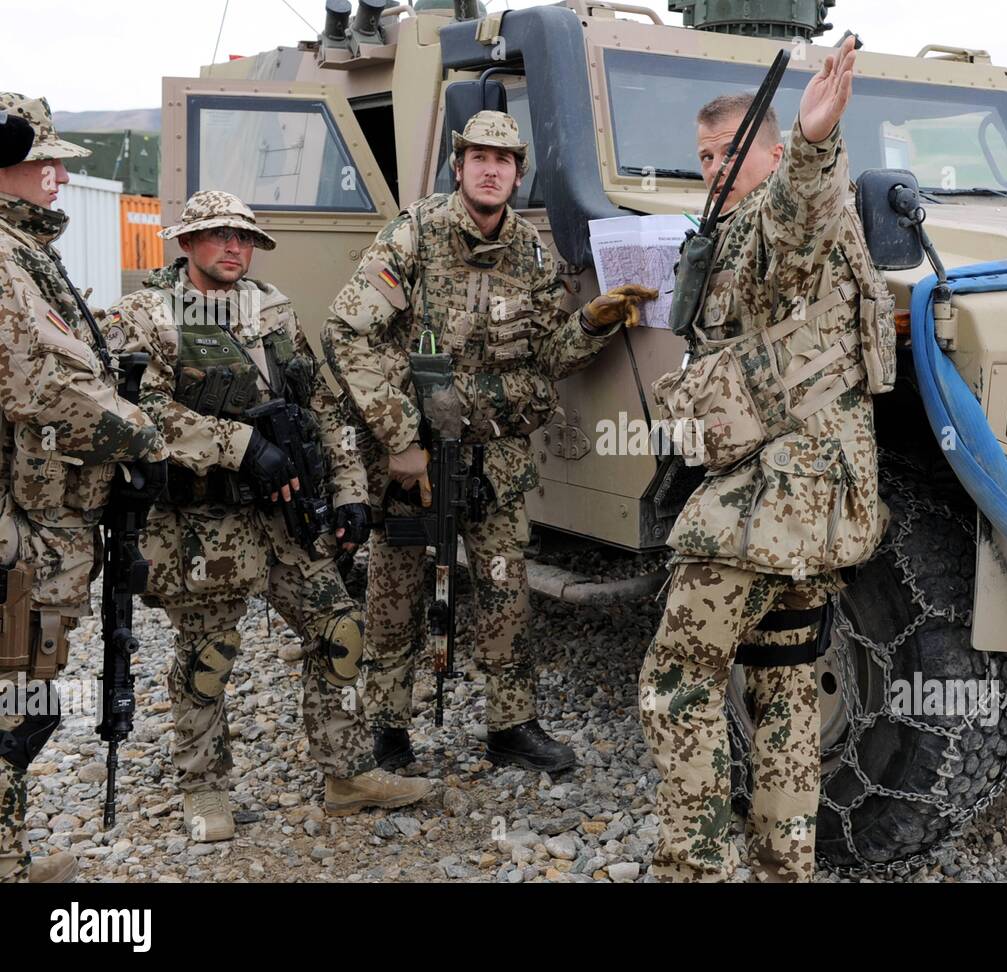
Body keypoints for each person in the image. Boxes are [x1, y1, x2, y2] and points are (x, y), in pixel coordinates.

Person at [323, 110, 655, 773]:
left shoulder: (531, 252)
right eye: (478, 157)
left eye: (503, 161)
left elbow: (547, 357)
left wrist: (593, 321)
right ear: (458, 165)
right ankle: (387, 731)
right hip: (415, 463)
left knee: (506, 590)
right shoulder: (414, 236)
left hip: (494, 463)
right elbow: (347, 332)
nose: (490, 169)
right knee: (396, 593)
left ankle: (512, 726)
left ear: (517, 173)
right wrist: (399, 441)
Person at [639, 35, 892, 882]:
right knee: (783, 681)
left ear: (773, 153)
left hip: (761, 502)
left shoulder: (778, 224)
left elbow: (798, 213)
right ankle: (786, 864)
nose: (714, 167)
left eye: (732, 152)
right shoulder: (735, 229)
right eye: (705, 155)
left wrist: (818, 142)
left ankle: (695, 867)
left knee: (677, 681)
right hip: (817, 502)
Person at [108, 190, 432, 842]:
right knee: (209, 654)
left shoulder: (272, 309)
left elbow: (321, 409)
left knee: (341, 631)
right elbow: (137, 418)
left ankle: (346, 773)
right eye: (220, 236)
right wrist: (240, 446)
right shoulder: (148, 316)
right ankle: (204, 790)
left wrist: (347, 493)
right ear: (187, 242)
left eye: (245, 237)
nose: (235, 248)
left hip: (285, 519)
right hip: (204, 524)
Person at [0, 94, 168, 882]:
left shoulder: (26, 254)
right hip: (17, 533)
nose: (59, 175)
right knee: (14, 705)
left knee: (25, 696)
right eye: (45, 161)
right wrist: (141, 434)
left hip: (39, 526)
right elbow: (36, 381)